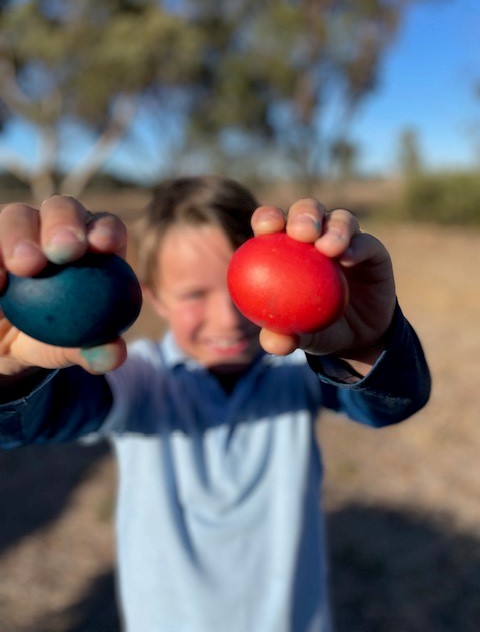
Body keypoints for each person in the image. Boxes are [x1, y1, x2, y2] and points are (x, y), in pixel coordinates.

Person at [0, 176, 430, 632]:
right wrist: (10, 373)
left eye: (240, 287)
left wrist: (368, 346)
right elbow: (30, 421)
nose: (228, 319)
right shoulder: (140, 380)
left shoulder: (295, 371)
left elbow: (393, 404)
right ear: (152, 295)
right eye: (194, 295)